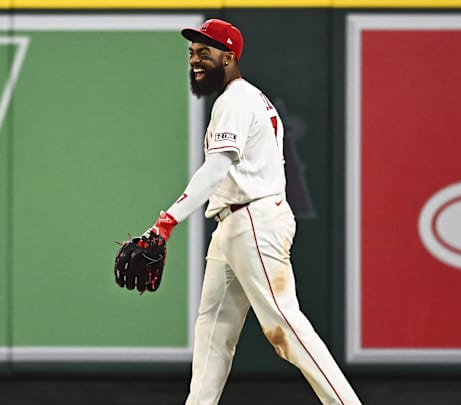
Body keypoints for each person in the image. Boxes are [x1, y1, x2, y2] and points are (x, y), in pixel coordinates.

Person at [141, 18, 362, 405]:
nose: (195, 59)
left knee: (285, 327)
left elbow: (216, 169)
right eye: (192, 52)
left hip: (253, 221)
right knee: (213, 331)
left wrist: (166, 223)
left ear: (229, 57)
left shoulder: (236, 100)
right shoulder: (243, 99)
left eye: (204, 52)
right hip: (233, 223)